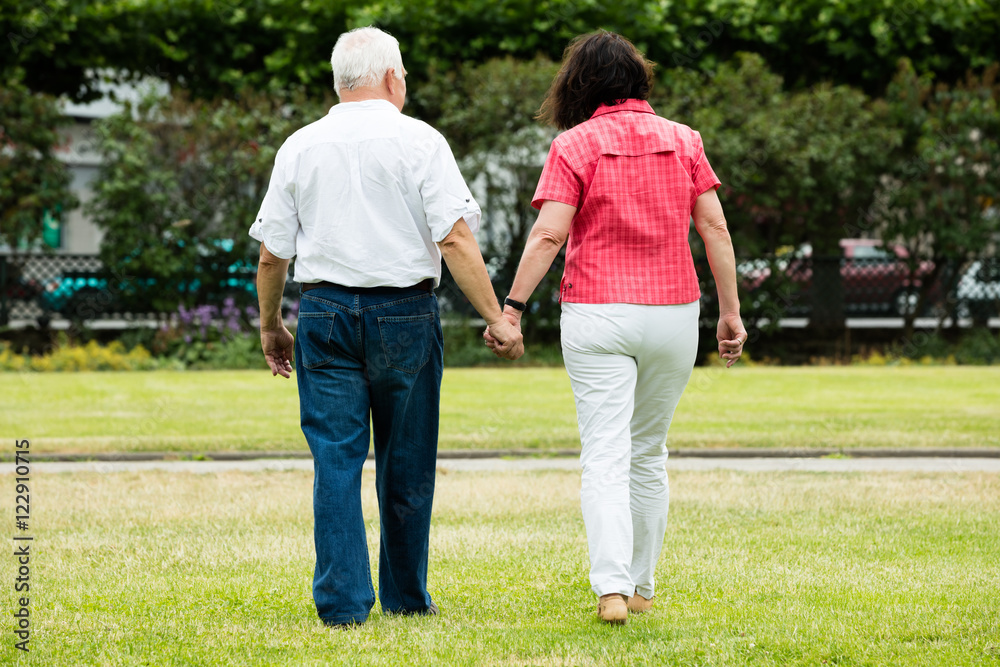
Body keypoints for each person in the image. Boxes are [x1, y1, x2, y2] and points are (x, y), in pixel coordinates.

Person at [250, 26, 522, 627]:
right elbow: (453, 236)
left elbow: (273, 254)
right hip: (404, 313)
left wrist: (271, 325)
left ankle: (343, 607)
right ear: (394, 77)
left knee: (336, 462)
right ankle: (405, 597)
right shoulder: (420, 140)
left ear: (339, 80)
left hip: (322, 314)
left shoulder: (299, 145)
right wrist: (495, 317)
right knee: (407, 461)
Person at [485, 31, 747, 624]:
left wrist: (513, 308)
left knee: (604, 454)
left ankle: (609, 590)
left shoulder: (575, 145)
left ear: (577, 85)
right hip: (674, 312)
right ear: (638, 79)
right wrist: (730, 314)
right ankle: (642, 587)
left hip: (599, 312)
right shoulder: (685, 140)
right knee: (648, 453)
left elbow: (550, 233)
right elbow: (716, 231)